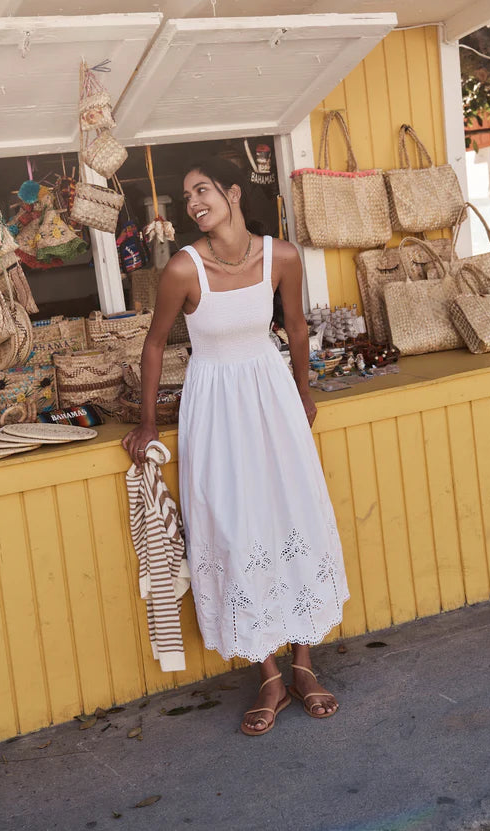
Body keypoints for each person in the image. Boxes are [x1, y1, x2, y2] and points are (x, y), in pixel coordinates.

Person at [122, 157, 349, 736]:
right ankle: (269, 675)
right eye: (186, 196)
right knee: (234, 527)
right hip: (215, 411)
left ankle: (304, 665)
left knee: (292, 515)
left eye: (202, 190)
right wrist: (147, 424)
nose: (193, 203)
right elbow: (154, 346)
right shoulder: (183, 268)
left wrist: (304, 394)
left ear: (233, 192)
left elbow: (296, 328)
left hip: (273, 401)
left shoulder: (282, 257)